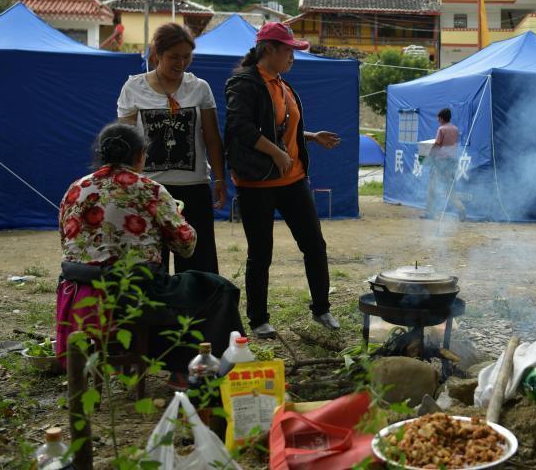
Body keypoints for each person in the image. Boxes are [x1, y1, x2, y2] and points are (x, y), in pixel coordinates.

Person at [56, 123, 243, 387]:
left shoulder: (76, 189)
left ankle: (131, 361)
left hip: (79, 290)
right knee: (216, 289)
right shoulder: (148, 189)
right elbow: (186, 245)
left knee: (169, 288)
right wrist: (176, 217)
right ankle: (189, 372)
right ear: (140, 154)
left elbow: (67, 241)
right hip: (133, 291)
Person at [224, 22, 342, 337]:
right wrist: (276, 153)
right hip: (257, 184)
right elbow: (241, 127)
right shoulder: (243, 83)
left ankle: (321, 309)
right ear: (269, 50)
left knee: (314, 245)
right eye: (288, 50)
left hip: (293, 179)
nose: (292, 57)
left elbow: (275, 128)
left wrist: (311, 136)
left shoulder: (282, 84)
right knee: (260, 253)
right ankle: (259, 320)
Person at [118, 23, 226, 275]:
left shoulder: (200, 88)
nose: (181, 63)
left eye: (187, 56)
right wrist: (124, 186)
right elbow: (125, 144)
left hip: (194, 189)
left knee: (198, 263)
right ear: (156, 55)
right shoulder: (133, 88)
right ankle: (155, 314)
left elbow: (212, 138)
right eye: (173, 57)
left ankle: (197, 312)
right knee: (151, 263)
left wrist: (219, 178)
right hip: (148, 192)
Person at [424, 108, 467, 221]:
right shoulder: (455, 129)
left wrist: (429, 155)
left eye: (438, 118)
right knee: (450, 190)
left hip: (440, 163)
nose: (438, 120)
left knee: (432, 188)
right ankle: (461, 208)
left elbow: (437, 145)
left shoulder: (441, 129)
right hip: (452, 162)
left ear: (442, 118)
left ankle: (430, 213)